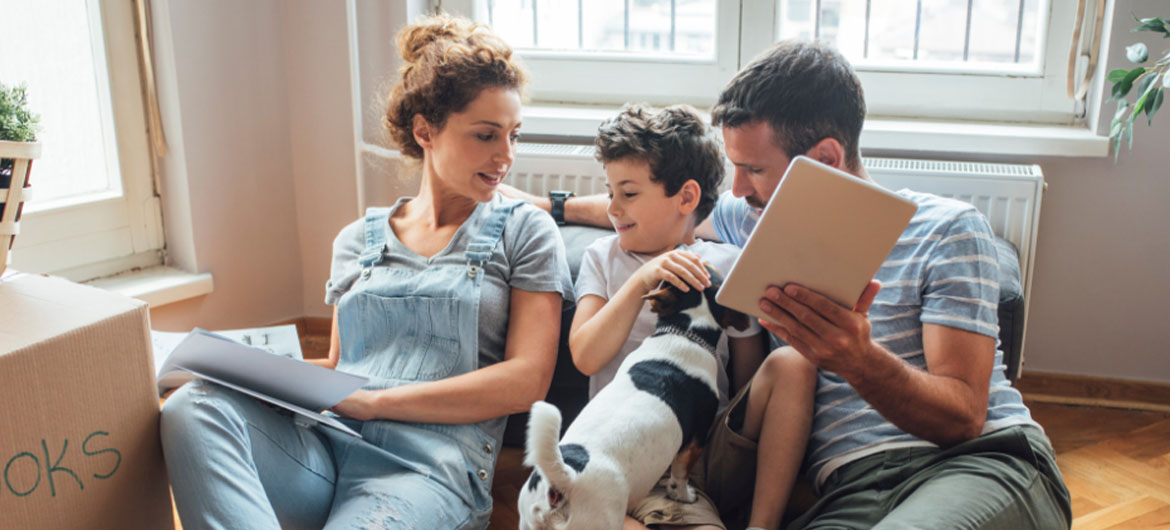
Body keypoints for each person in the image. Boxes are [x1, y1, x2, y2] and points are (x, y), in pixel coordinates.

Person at [505, 40, 1071, 530]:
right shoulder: (745, 219)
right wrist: (539, 205)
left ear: (824, 158)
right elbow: (652, 209)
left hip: (976, 463)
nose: (737, 186)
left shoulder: (947, 228)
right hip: (848, 490)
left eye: (754, 168)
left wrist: (857, 358)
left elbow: (964, 416)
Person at [160, 14, 573, 530]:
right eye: (487, 135)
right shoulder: (357, 239)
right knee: (192, 409)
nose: (505, 155)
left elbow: (525, 380)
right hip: (323, 453)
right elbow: (339, 365)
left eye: (513, 134)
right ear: (425, 130)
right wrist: (258, 375)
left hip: (425, 474)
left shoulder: (525, 231)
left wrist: (376, 403)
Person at [568, 103, 814, 530]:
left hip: (703, 447)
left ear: (686, 197)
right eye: (610, 193)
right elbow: (586, 357)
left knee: (793, 363)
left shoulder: (727, 262)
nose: (612, 209)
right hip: (628, 449)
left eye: (628, 194)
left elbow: (747, 378)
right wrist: (641, 279)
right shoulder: (602, 259)